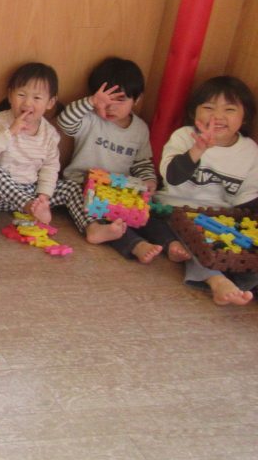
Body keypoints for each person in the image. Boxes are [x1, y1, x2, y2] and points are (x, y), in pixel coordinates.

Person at [58, 57, 186, 263]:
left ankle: (170, 244)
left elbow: (141, 162)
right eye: (106, 100)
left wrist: (149, 180)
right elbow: (65, 122)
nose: (111, 107)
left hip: (119, 191)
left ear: (137, 99)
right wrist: (91, 102)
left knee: (146, 215)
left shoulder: (139, 129)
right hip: (82, 186)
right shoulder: (91, 119)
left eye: (121, 100)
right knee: (108, 222)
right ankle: (135, 245)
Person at [156, 76, 258, 304]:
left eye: (229, 109)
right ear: (194, 112)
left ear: (245, 117)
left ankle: (240, 284)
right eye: (209, 107)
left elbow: (248, 202)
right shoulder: (184, 136)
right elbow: (172, 176)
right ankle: (215, 280)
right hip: (175, 210)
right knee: (190, 240)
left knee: (240, 249)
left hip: (220, 220)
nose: (217, 116)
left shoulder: (250, 151)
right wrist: (197, 150)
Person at [0, 62, 81, 224]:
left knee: (72, 188)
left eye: (37, 98)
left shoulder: (49, 134)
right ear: (10, 96)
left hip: (31, 192)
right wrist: (10, 132)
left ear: (50, 102)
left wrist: (43, 197)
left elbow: (50, 167)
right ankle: (28, 206)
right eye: (21, 95)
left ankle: (91, 225)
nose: (27, 103)